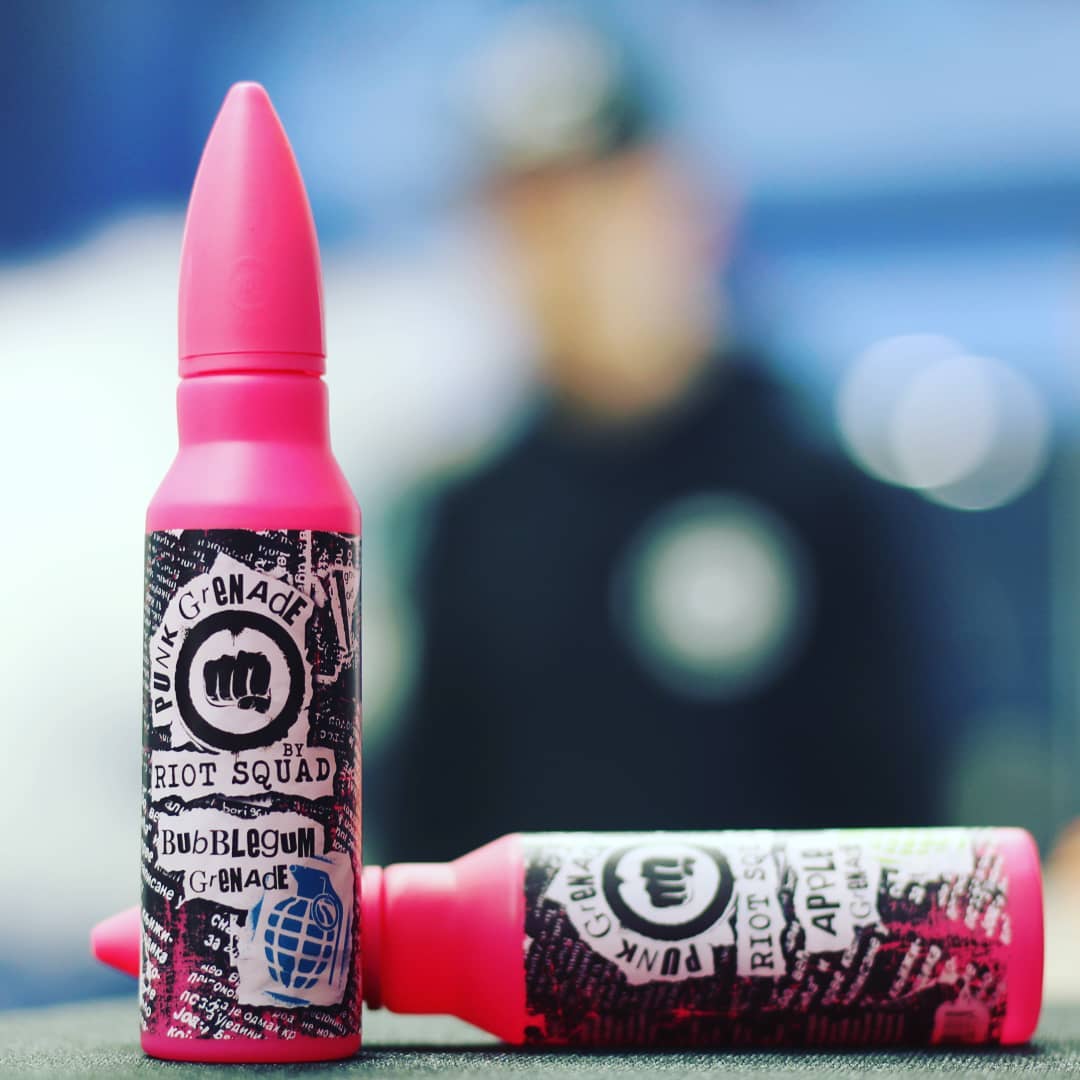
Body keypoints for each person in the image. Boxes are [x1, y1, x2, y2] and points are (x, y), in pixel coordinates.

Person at [373, 15, 941, 862]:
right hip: (523, 951)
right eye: (528, 216)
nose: (567, 253)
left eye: (594, 204)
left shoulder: (813, 484)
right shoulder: (466, 513)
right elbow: (430, 815)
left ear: (686, 200)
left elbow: (901, 809)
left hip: (781, 947)